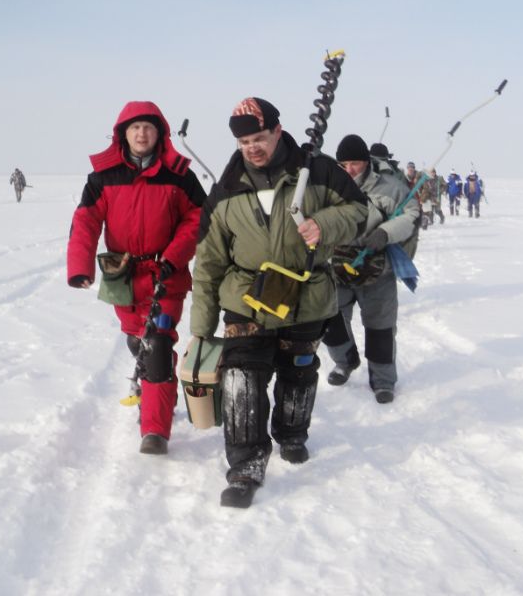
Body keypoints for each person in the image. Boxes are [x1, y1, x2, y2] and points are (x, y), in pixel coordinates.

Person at [189, 97, 368, 508]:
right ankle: (245, 465)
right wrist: (201, 329)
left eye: (259, 138)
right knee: (241, 378)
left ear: (277, 130)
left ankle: (291, 433)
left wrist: (324, 224)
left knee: (298, 370)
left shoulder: (318, 171)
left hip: (306, 294)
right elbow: (209, 263)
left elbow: (359, 212)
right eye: (244, 142)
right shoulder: (225, 190)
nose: (252, 148)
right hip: (246, 296)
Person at [67, 101, 206, 455]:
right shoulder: (103, 177)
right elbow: (85, 221)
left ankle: (154, 429)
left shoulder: (178, 175)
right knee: (137, 340)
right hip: (123, 276)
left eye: (148, 127)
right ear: (122, 134)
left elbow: (198, 219)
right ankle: (157, 383)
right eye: (135, 128)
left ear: (159, 133)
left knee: (157, 343)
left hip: (166, 274)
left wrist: (173, 257)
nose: (142, 134)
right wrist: (80, 267)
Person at [323, 134, 420, 404]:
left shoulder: (390, 187)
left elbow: (411, 214)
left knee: (380, 328)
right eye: (343, 164)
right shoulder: (328, 187)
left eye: (354, 163)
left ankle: (383, 381)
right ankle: (345, 361)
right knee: (328, 320)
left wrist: (385, 233)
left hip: (377, 270)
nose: (349, 170)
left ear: (366, 162)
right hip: (337, 267)